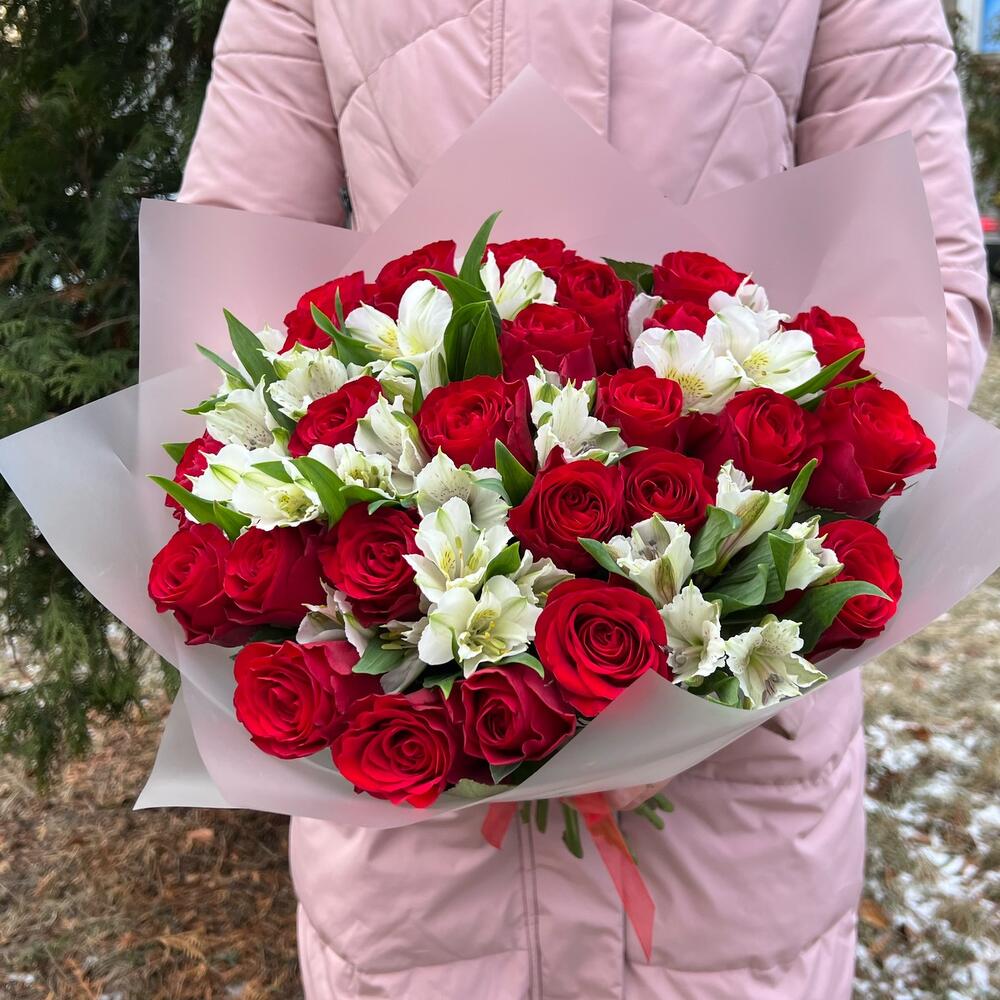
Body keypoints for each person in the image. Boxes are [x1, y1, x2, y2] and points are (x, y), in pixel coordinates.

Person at [178, 2, 991, 997]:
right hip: (416, 768)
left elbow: (918, 301)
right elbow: (229, 288)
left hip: (731, 783)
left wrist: (719, 613)